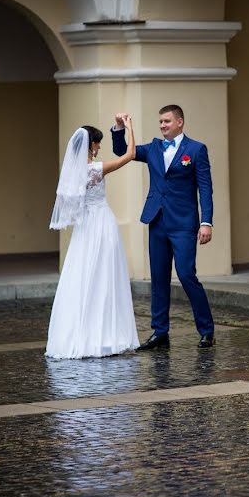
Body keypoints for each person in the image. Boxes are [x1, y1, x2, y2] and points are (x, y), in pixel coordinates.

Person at [112, 105, 215, 350]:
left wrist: (206, 222)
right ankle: (160, 332)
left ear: (180, 122)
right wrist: (119, 127)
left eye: (167, 121)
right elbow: (121, 151)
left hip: (184, 224)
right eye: (160, 122)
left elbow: (205, 189)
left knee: (186, 273)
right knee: (158, 278)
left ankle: (207, 330)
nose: (162, 125)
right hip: (157, 221)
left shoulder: (196, 149)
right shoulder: (154, 148)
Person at [46, 118, 141, 359]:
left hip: (84, 228)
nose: (98, 148)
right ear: (90, 146)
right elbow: (129, 155)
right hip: (101, 223)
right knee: (105, 273)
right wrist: (129, 126)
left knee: (83, 273)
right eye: (97, 144)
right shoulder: (96, 169)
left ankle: (80, 332)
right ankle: (105, 334)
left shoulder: (73, 173)